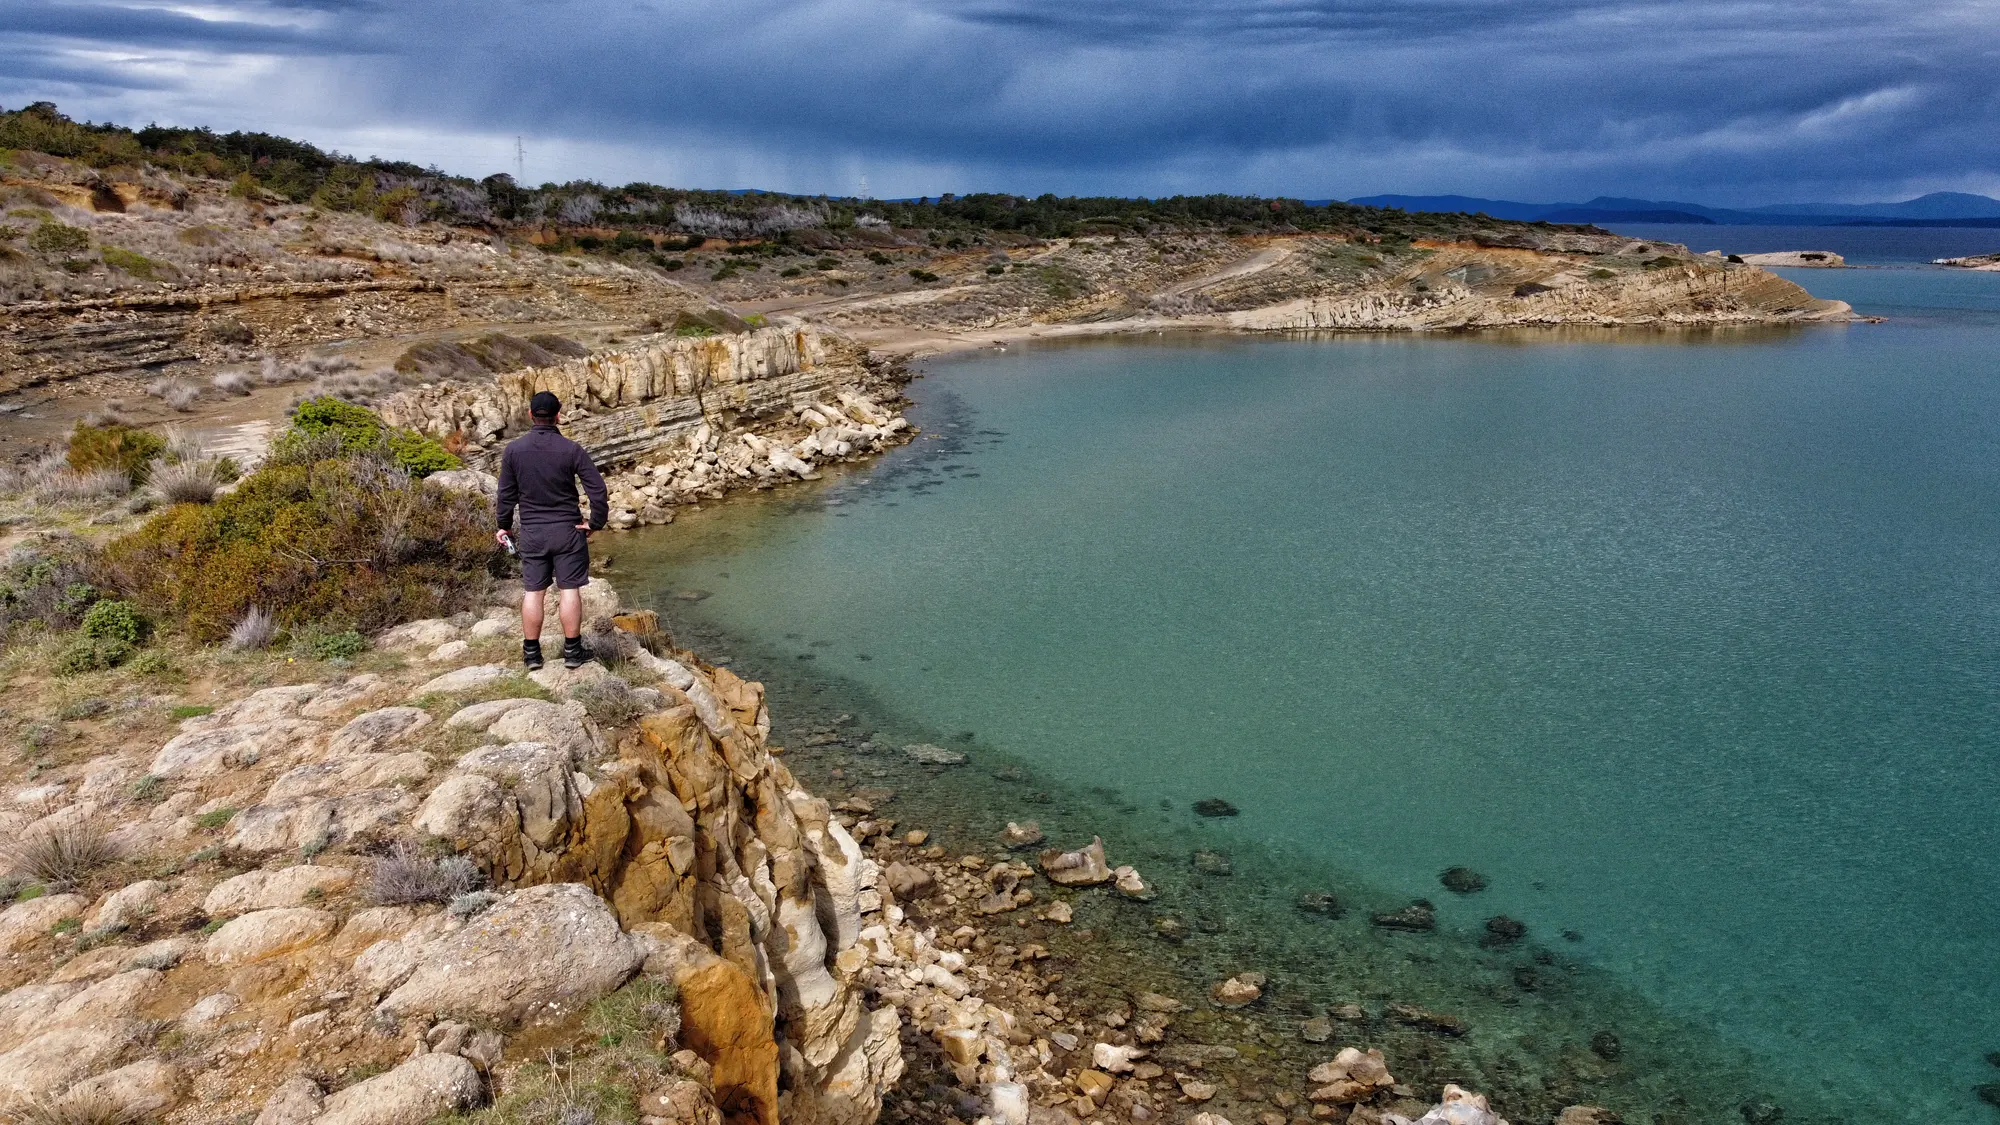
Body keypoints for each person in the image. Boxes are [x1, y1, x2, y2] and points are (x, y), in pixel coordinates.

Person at [495, 390, 608, 670]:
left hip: (533, 532)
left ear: (531, 415)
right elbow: (597, 488)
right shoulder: (571, 449)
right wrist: (595, 522)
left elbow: (506, 494)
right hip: (568, 531)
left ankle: (532, 655)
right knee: (570, 590)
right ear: (558, 416)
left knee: (534, 592)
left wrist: (503, 526)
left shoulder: (513, 450)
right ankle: (572, 652)